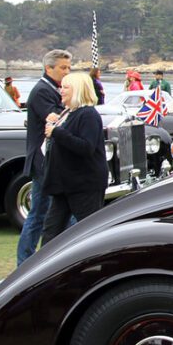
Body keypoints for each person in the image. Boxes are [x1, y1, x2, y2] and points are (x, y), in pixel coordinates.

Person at [40, 71, 108, 245]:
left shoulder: (88, 114)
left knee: (90, 231)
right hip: (64, 184)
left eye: (66, 87)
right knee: (51, 231)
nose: (61, 91)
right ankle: (45, 270)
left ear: (77, 90)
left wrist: (57, 132)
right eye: (61, 87)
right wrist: (55, 124)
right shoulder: (69, 112)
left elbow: (86, 147)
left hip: (84, 184)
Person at [16, 49, 71, 266]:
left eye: (68, 67)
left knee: (58, 212)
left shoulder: (53, 89)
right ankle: (25, 262)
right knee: (38, 214)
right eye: (63, 68)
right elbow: (56, 119)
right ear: (49, 68)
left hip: (53, 160)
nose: (66, 72)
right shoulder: (41, 91)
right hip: (42, 161)